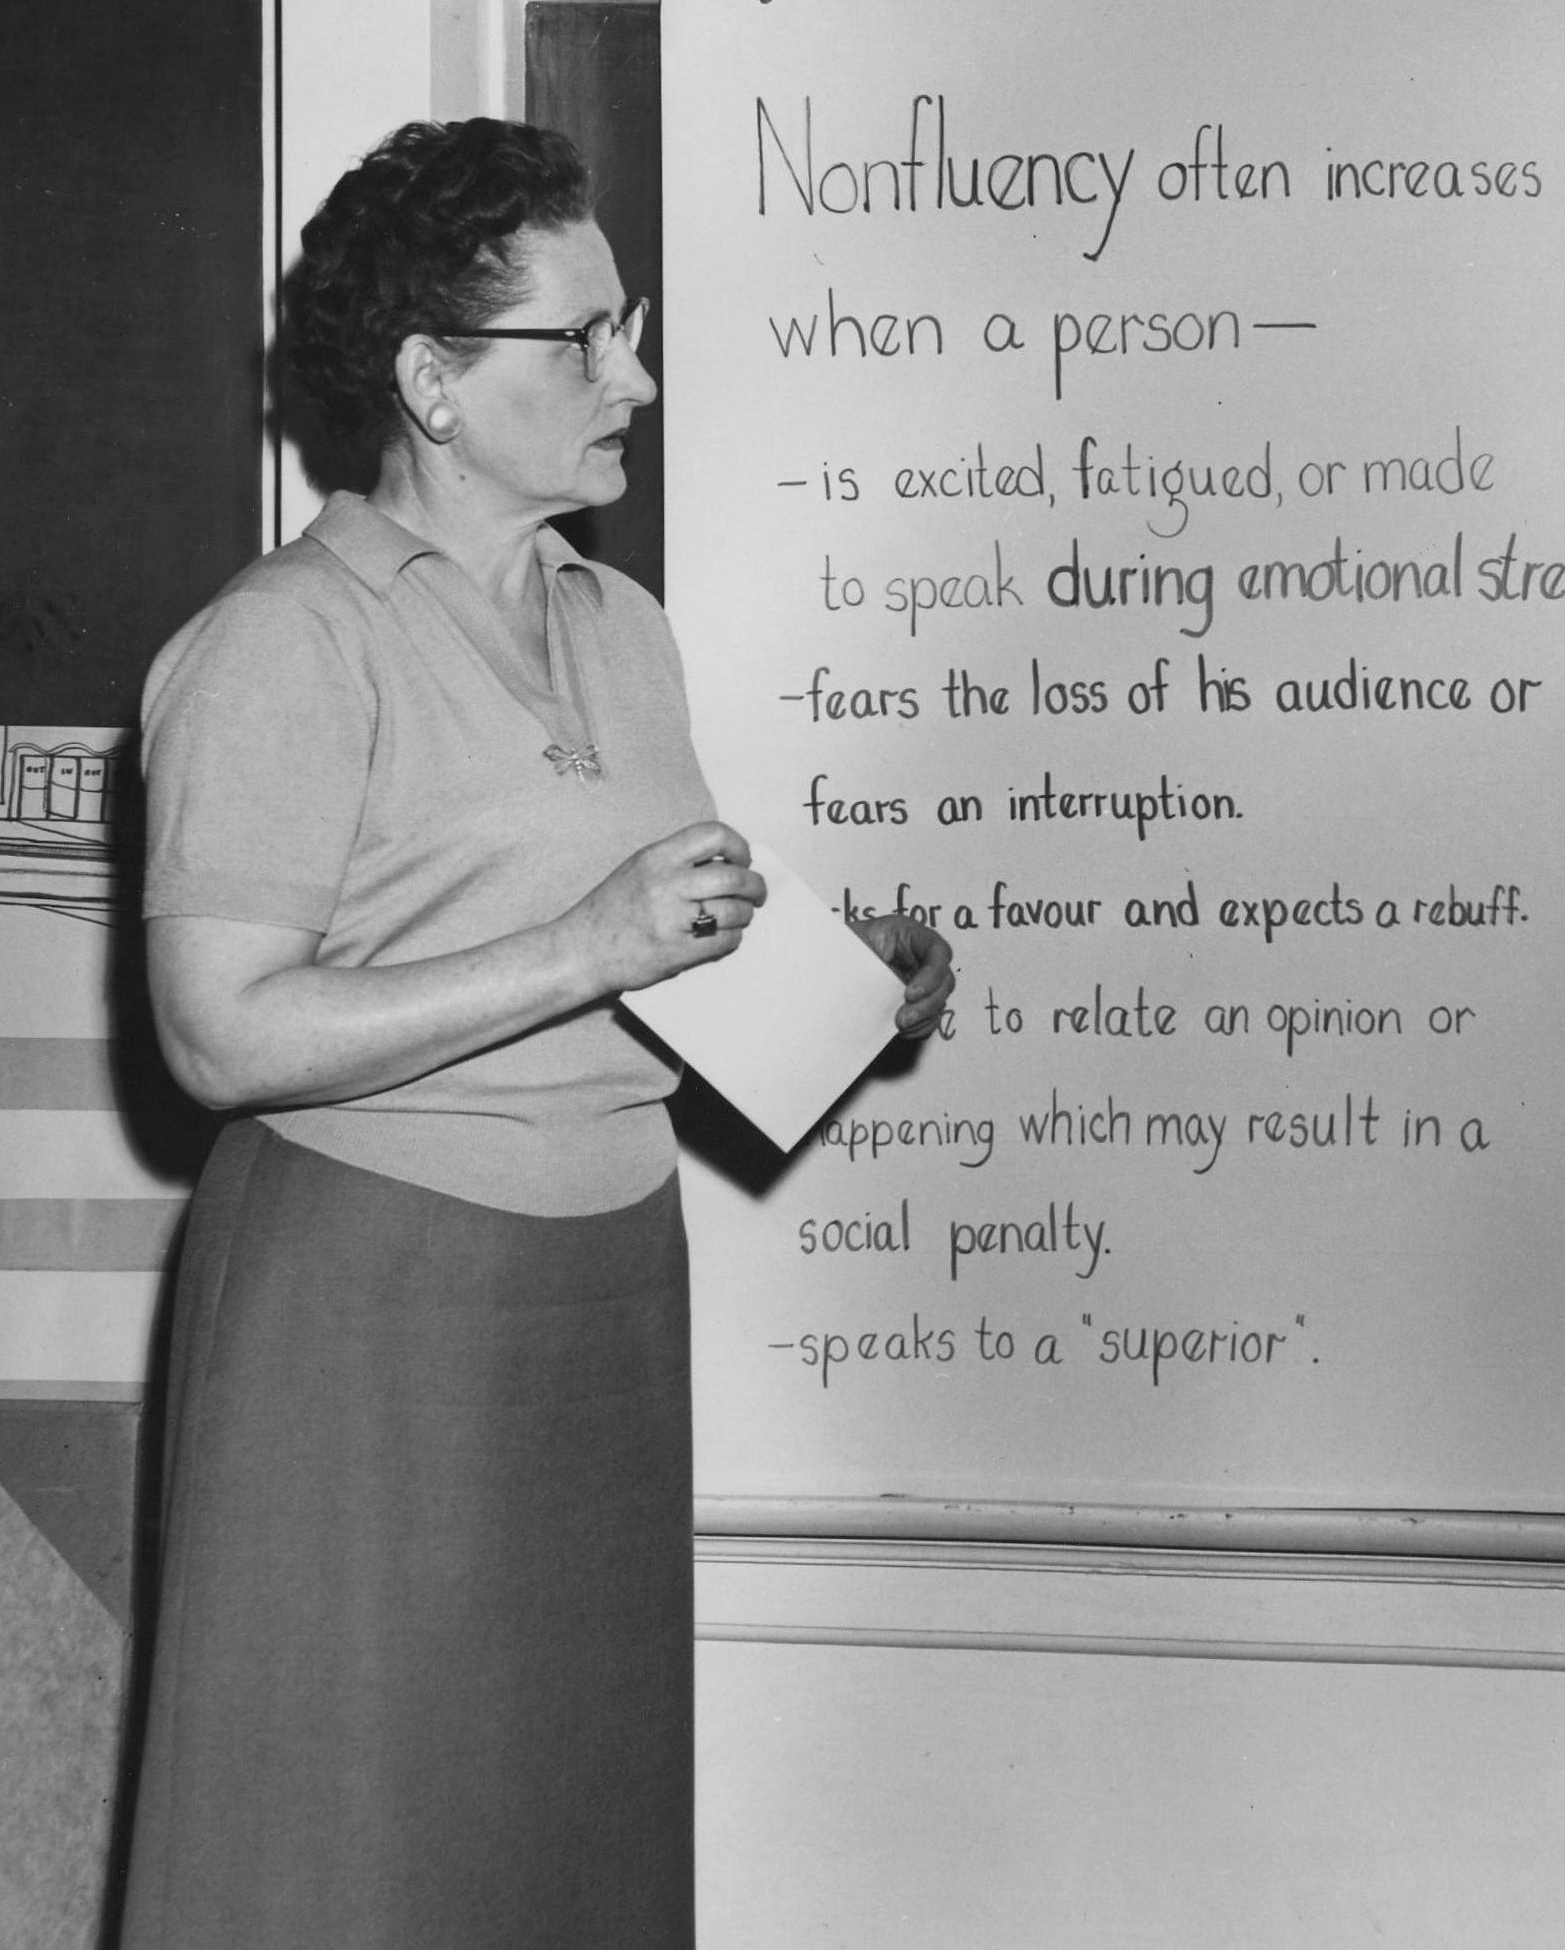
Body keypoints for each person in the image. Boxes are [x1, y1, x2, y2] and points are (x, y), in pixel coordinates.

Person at [120, 118, 954, 1949]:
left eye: (625, 327)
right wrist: (585, 943)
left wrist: (841, 988)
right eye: (580, 339)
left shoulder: (622, 624)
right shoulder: (283, 642)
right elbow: (220, 1036)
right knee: (346, 1845)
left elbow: (650, 957)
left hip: (604, 1282)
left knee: (562, 1842)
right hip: (372, 1298)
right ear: (430, 382)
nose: (632, 377)